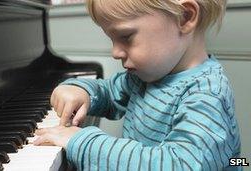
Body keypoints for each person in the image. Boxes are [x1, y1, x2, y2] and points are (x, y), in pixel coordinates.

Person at [33, 0, 241, 170]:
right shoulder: (145, 77)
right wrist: (82, 91)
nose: (115, 52)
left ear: (185, 17)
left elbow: (180, 165)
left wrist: (83, 143)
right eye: (111, 39)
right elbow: (109, 92)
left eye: (126, 37)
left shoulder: (207, 95)